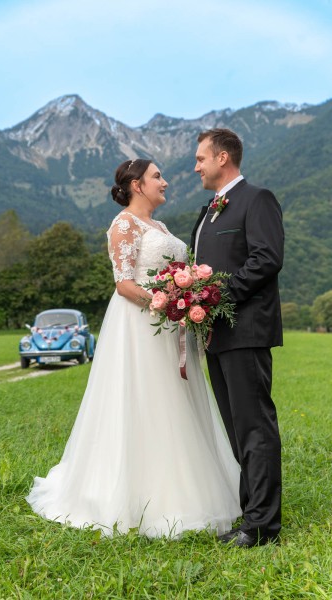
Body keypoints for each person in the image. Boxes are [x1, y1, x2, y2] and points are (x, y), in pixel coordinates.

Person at [26, 158, 241, 538]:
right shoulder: (123, 224)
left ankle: (186, 483)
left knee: (176, 400)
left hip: (171, 325)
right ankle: (142, 495)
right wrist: (167, 306)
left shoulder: (158, 226)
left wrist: (186, 299)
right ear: (137, 185)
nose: (166, 182)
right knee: (144, 400)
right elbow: (124, 284)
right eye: (158, 176)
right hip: (141, 325)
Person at [191, 128, 284, 548]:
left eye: (201, 158)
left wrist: (217, 296)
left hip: (246, 330)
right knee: (236, 430)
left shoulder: (256, 199)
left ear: (223, 157)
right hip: (215, 335)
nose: (196, 166)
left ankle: (263, 527)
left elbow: (267, 258)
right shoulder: (207, 211)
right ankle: (251, 513)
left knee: (254, 428)